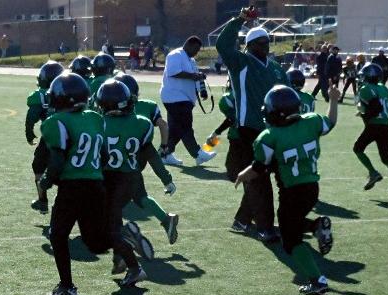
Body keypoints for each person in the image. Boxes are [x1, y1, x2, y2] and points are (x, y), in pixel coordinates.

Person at [38, 73, 142, 295]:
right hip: (96, 185)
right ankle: (131, 258)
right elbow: (104, 156)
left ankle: (67, 288)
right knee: (95, 240)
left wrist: (46, 180)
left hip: (72, 187)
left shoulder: (55, 122)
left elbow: (57, 159)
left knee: (58, 235)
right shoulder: (95, 118)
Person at [235, 84, 341, 295]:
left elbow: (260, 167)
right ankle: (317, 225)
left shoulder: (269, 136)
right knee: (289, 225)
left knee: (291, 240)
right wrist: (334, 100)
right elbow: (330, 122)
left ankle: (317, 279)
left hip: (291, 191)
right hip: (312, 188)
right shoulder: (311, 122)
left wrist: (242, 174)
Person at [216, 6, 289, 242]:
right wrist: (239, 20)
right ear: (248, 45)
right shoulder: (241, 62)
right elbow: (223, 46)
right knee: (260, 180)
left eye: (266, 41)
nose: (264, 45)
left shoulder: (277, 68)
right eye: (258, 42)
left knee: (277, 178)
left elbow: (288, 93)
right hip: (250, 130)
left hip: (275, 130)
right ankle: (265, 226)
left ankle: (242, 220)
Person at [96, 80, 156, 286]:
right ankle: (122, 254)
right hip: (129, 179)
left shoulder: (100, 124)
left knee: (108, 230)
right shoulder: (140, 123)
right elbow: (146, 156)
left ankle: (133, 264)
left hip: (110, 181)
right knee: (110, 221)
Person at [115, 73, 179, 244]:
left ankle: (124, 235)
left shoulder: (108, 118)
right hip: (137, 161)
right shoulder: (147, 110)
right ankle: (166, 219)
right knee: (140, 196)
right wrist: (164, 146)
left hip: (114, 166)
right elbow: (163, 126)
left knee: (109, 202)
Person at [160, 36, 217, 166]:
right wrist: (194, 76)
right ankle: (197, 154)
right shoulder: (175, 55)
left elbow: (195, 76)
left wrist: (202, 89)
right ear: (188, 44)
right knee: (185, 126)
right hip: (175, 97)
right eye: (196, 49)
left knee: (175, 129)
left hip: (183, 98)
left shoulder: (190, 60)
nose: (196, 53)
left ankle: (165, 154)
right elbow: (173, 72)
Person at [354, 63, 388, 201]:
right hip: (385, 126)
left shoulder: (365, 88)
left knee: (358, 149)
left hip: (373, 126)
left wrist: (364, 115)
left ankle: (373, 172)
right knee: (387, 158)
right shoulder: (383, 88)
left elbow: (375, 107)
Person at [25, 61, 64, 214]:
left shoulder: (40, 95)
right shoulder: (71, 89)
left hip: (50, 137)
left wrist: (29, 132)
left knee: (39, 166)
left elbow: (31, 117)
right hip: (73, 135)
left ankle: (43, 200)